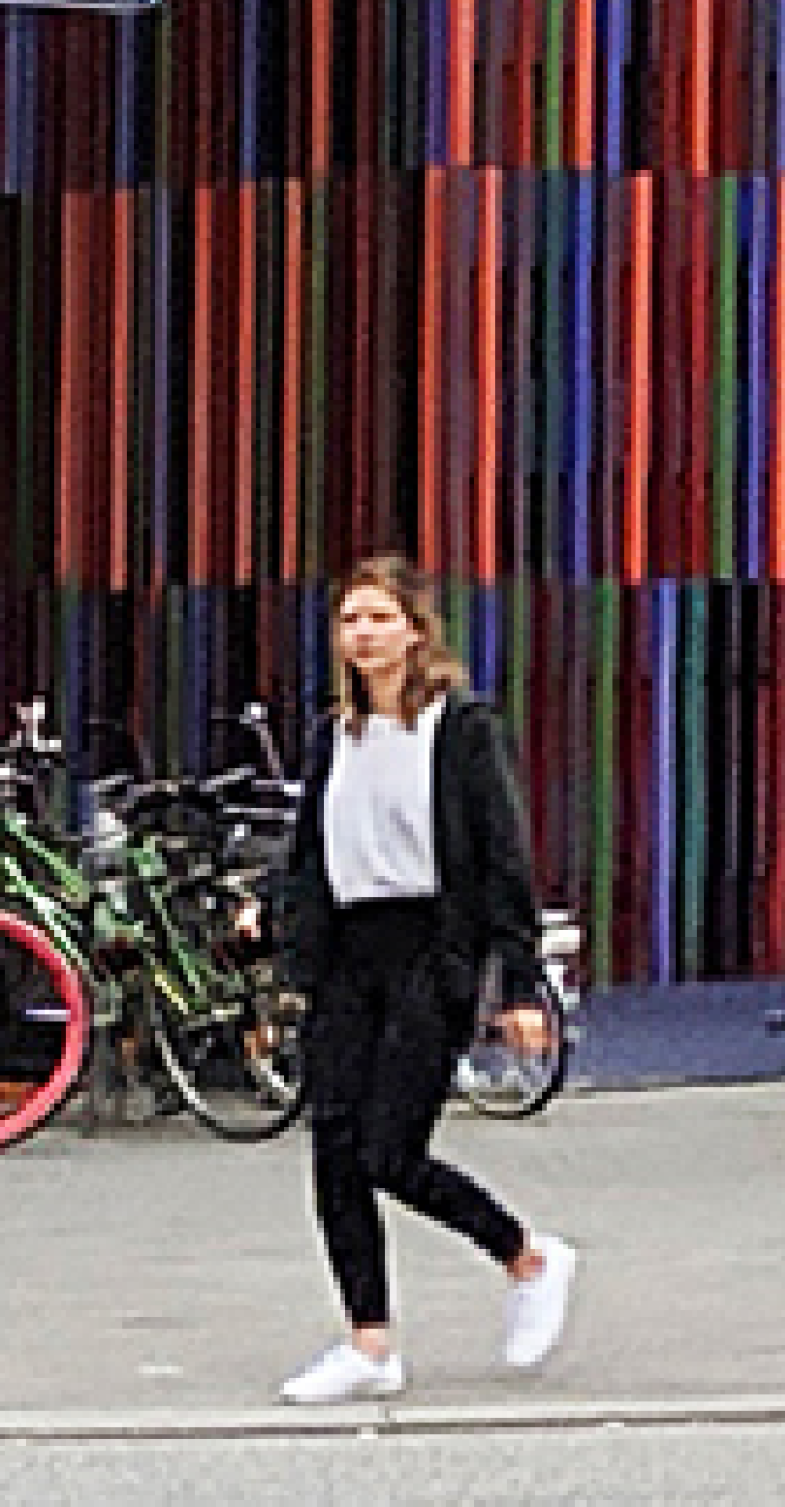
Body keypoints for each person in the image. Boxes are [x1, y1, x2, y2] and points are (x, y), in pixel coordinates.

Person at [269, 554, 578, 1408]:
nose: (363, 633)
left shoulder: (460, 728)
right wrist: (291, 964)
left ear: (414, 631)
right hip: (348, 952)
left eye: (379, 618)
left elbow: (502, 857)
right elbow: (307, 860)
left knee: (390, 1150)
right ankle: (368, 1342)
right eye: (350, 620)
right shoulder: (334, 735)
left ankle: (527, 1256)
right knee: (334, 1145)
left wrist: (515, 983)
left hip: (428, 946)